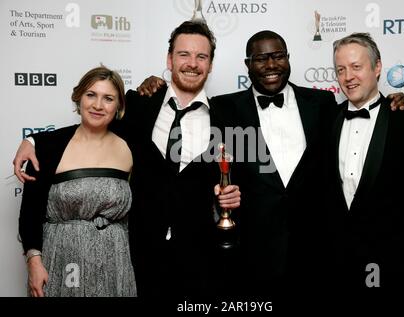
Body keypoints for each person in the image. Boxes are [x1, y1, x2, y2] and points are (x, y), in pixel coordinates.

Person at [136, 30, 404, 296]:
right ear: (247, 65)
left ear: (289, 59)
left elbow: (366, 115)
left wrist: (396, 103)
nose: (271, 64)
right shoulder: (223, 109)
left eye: (279, 56)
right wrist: (155, 85)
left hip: (318, 256)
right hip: (250, 260)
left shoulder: (322, 103)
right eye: (260, 58)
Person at [14, 21, 240, 297]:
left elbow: (238, 184)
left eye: (201, 56)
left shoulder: (227, 120)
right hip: (136, 256)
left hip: (199, 257)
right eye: (184, 54)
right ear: (169, 59)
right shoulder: (138, 105)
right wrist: (33, 140)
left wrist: (229, 198)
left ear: (211, 64)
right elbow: (90, 127)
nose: (192, 63)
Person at [327, 32, 404, 297]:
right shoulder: (327, 120)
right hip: (338, 270)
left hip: (393, 271)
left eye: (357, 67)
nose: (348, 77)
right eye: (341, 69)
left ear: (377, 67)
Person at [18, 66, 136, 297]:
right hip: (61, 260)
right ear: (79, 98)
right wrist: (34, 262)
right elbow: (30, 212)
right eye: (91, 95)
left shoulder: (131, 146)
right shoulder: (47, 147)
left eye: (108, 98)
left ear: (119, 106)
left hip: (116, 263)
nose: (98, 105)